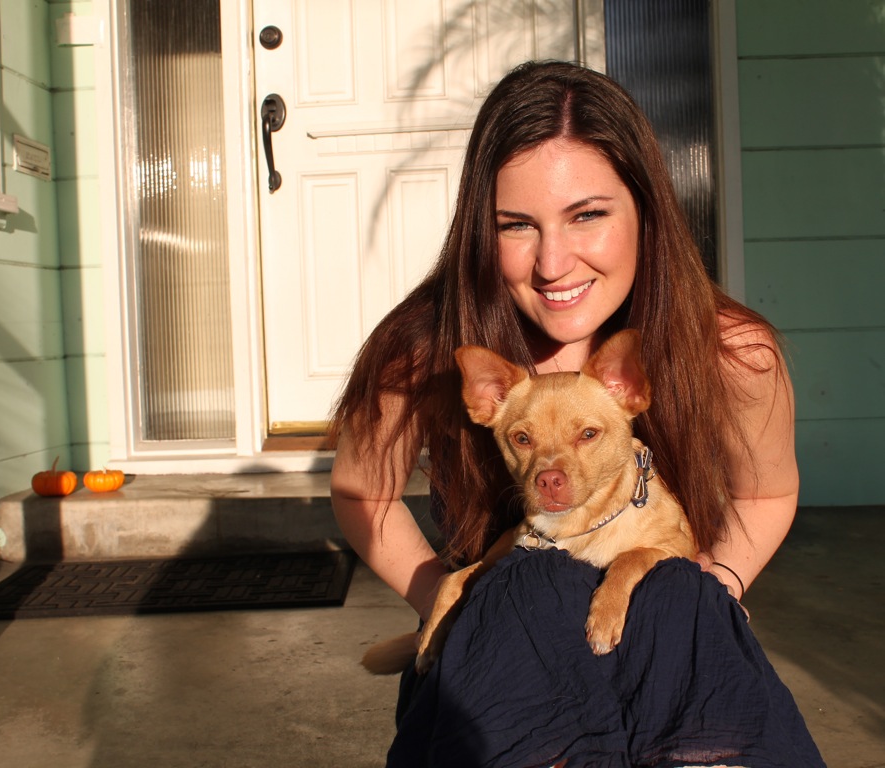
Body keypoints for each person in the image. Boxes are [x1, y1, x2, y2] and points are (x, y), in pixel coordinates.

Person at [329, 60, 824, 767]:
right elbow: (361, 491)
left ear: (645, 211)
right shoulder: (426, 347)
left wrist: (722, 582)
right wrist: (447, 598)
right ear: (479, 227)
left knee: (677, 591)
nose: (553, 262)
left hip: (659, 645)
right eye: (516, 226)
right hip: (504, 660)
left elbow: (766, 491)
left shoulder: (730, 352)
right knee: (529, 584)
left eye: (587, 215)